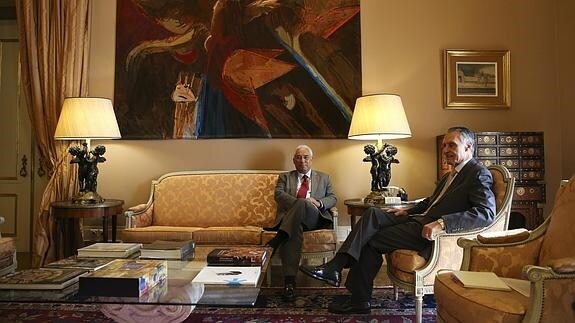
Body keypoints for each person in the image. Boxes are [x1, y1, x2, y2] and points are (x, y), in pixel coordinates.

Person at [300, 126, 496, 314]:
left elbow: (486, 213)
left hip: (430, 233)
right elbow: (431, 201)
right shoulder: (450, 175)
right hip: (418, 220)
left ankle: (354, 292)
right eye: (444, 145)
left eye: (451, 145)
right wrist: (407, 209)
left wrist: (442, 223)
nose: (445, 150)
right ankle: (338, 271)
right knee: (373, 213)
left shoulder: (477, 173)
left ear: (468, 147)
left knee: (370, 240)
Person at [265, 145, 337, 301]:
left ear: (311, 160)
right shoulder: (285, 177)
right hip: (293, 220)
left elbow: (332, 198)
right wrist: (301, 203)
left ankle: (279, 237)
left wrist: (318, 203)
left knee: (304, 204)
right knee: (296, 224)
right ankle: (289, 282)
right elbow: (279, 195)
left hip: (314, 218)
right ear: (293, 160)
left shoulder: (324, 177)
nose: (302, 160)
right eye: (298, 157)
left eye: (306, 157)